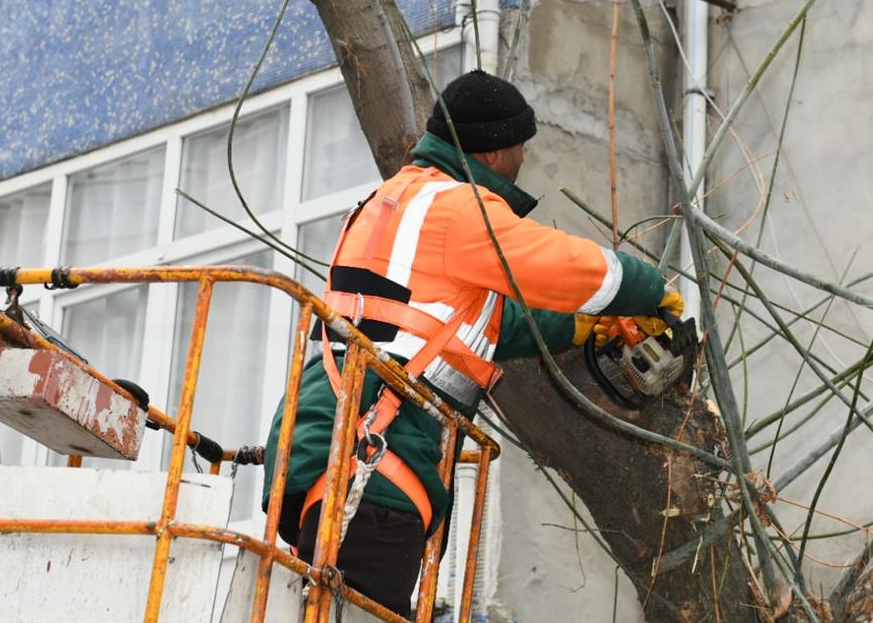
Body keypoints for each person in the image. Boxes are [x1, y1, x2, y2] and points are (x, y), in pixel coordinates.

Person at [261, 70, 682, 615]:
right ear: (495, 151)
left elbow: (458, 324)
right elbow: (555, 261)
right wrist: (647, 290)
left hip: (330, 439)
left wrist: (574, 327)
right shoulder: (456, 207)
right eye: (521, 148)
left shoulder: (392, 201)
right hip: (376, 455)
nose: (524, 160)